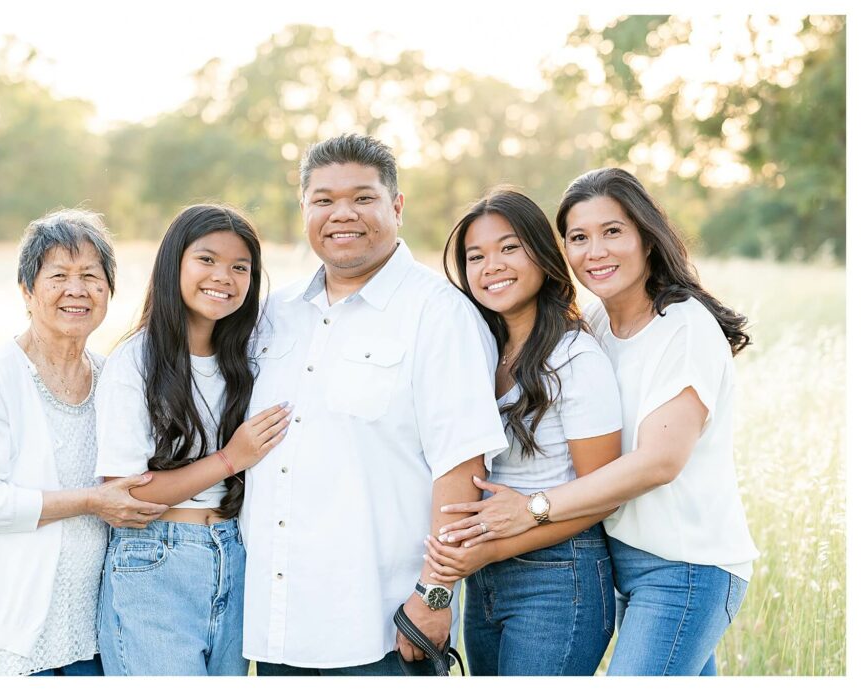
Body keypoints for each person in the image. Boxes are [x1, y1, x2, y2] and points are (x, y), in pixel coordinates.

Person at [438, 168, 759, 676]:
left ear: (647, 238)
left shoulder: (684, 327)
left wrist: (533, 509)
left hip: (685, 566)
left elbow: (659, 462)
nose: (596, 251)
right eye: (579, 238)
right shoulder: (602, 321)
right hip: (625, 557)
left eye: (613, 232)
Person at [242, 133, 509, 675]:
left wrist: (434, 597)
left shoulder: (438, 313)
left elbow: (463, 469)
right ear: (304, 209)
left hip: (384, 628)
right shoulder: (273, 314)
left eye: (363, 197)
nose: (342, 214)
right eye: (323, 200)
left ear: (397, 206)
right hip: (275, 628)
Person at [0, 209, 171, 676]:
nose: (77, 290)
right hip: (9, 634)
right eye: (58, 276)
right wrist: (89, 502)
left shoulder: (115, 377)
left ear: (108, 290)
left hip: (95, 632)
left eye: (91, 276)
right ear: (27, 290)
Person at [423, 187, 622, 675]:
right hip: (487, 577)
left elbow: (604, 494)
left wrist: (486, 550)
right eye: (476, 256)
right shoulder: (480, 350)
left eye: (509, 247)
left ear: (542, 252)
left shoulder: (575, 358)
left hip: (559, 575)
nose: (491, 265)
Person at [94, 204, 291, 676]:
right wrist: (230, 459)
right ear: (174, 264)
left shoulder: (245, 362)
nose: (223, 276)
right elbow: (127, 494)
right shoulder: (136, 362)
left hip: (233, 552)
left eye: (239, 267)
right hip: (155, 558)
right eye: (206, 259)